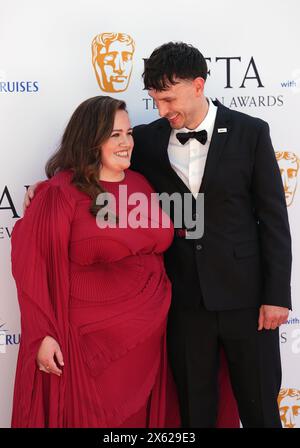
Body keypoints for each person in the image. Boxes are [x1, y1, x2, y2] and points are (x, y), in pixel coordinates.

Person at [13, 95, 238, 428]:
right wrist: (41, 334)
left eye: (128, 133)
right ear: (90, 140)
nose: (126, 142)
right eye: (114, 135)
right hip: (91, 347)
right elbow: (31, 268)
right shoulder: (60, 193)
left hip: (150, 342)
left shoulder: (142, 184)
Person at [130, 42, 292, 427]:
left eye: (168, 99)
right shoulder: (147, 139)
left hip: (249, 302)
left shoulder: (250, 132)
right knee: (195, 414)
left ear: (198, 85)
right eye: (154, 100)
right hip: (185, 304)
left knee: (261, 413)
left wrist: (276, 296)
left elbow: (273, 220)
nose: (161, 110)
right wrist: (52, 182)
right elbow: (97, 158)